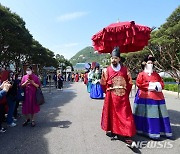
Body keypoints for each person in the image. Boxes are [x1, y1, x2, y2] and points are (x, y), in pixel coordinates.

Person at [100, 47, 136, 145]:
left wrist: (125, 92)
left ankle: (127, 134)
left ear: (119, 59)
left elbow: (129, 83)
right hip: (111, 96)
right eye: (112, 58)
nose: (113, 60)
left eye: (115, 58)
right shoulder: (106, 70)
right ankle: (113, 129)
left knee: (125, 115)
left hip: (122, 96)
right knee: (111, 114)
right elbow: (102, 83)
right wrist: (108, 89)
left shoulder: (125, 70)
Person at [133, 55, 172, 140]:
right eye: (148, 63)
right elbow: (139, 83)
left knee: (158, 114)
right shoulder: (141, 74)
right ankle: (145, 130)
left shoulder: (156, 75)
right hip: (144, 97)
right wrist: (151, 85)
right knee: (145, 114)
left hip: (157, 96)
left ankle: (159, 131)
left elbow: (162, 83)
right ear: (145, 64)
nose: (150, 64)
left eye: (151, 63)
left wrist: (158, 85)